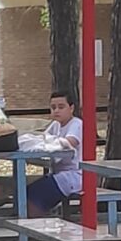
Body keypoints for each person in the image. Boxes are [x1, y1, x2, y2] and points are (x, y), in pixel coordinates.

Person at [26, 89, 82, 218]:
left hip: (75, 175)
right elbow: (43, 139)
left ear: (71, 108)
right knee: (26, 192)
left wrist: (52, 142)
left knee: (34, 196)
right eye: (53, 107)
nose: (56, 111)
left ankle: (37, 225)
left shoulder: (77, 124)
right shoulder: (55, 125)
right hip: (57, 174)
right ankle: (36, 223)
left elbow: (70, 142)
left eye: (61, 107)